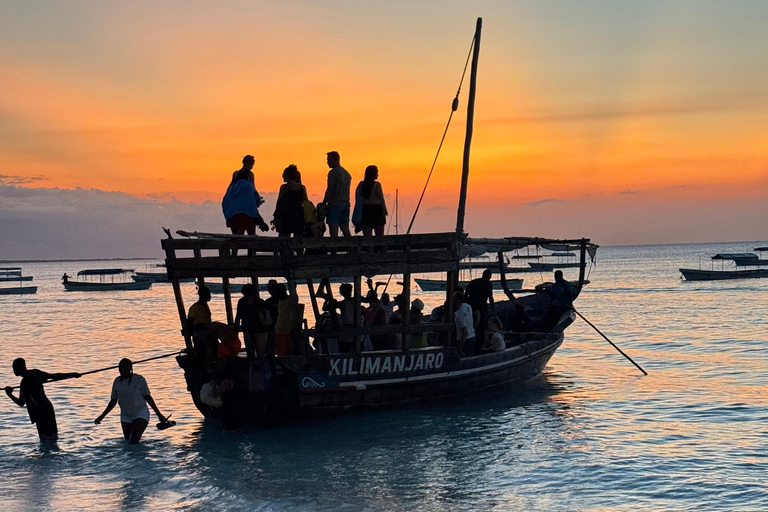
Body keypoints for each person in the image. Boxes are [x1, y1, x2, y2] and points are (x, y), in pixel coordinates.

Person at [94, 359, 167, 444]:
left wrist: (159, 415)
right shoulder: (117, 381)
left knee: (133, 441)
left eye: (124, 368)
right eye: (120, 368)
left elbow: (148, 398)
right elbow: (113, 401)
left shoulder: (139, 379)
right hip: (125, 415)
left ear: (130, 368)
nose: (122, 370)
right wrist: (102, 416)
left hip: (140, 413)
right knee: (128, 442)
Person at [5, 358, 80, 441]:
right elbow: (52, 376)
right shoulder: (34, 373)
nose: (14, 369)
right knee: (52, 438)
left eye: (15, 367)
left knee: (46, 439)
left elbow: (21, 403)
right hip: (46, 410)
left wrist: (9, 394)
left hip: (41, 413)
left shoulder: (25, 383)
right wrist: (71, 374)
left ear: (21, 367)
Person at [222, 155, 269, 235]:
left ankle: (229, 220)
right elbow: (252, 188)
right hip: (246, 202)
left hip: (235, 200)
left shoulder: (235, 173)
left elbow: (230, 187)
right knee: (253, 212)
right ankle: (260, 222)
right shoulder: (250, 175)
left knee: (230, 212)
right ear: (250, 164)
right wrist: (257, 200)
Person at [233, 284, 270, 360]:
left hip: (258, 329)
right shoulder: (243, 302)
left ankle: (257, 365)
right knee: (251, 352)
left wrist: (235, 329)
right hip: (250, 329)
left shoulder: (259, 302)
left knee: (259, 353)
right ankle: (255, 366)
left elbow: (238, 316)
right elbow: (238, 316)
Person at [272, 164, 308, 238]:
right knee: (298, 241)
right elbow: (306, 203)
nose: (282, 176)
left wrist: (276, 217)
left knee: (283, 241)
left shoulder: (284, 188)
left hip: (286, 217)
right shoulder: (302, 188)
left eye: (283, 174)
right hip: (298, 216)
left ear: (288, 176)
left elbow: (279, 204)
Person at [322, 151, 352, 237]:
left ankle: (333, 250)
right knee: (345, 229)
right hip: (345, 204)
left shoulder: (333, 172)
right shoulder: (347, 174)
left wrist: (324, 203)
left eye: (329, 160)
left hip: (335, 205)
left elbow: (330, 189)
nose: (327, 162)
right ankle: (351, 249)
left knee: (333, 231)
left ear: (336, 159)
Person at [464, 269, 495, 348]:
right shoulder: (487, 284)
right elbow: (490, 298)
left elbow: (466, 294)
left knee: (478, 325)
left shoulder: (475, 282)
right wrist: (493, 308)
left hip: (476, 306)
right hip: (477, 306)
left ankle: (478, 343)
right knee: (480, 325)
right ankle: (477, 343)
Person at [354, 165, 388, 236]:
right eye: (377, 172)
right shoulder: (377, 185)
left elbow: (357, 198)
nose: (377, 174)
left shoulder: (361, 185)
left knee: (367, 238)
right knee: (380, 237)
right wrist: (384, 210)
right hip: (377, 211)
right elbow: (381, 198)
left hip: (366, 211)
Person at [188, 286, 215, 363]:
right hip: (199, 336)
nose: (210, 296)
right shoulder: (194, 308)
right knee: (203, 356)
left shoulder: (205, 306)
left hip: (208, 334)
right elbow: (189, 323)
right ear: (202, 295)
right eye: (208, 294)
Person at [452, 291, 476, 357]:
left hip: (465, 339)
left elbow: (465, 332)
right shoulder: (467, 306)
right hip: (472, 335)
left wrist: (461, 345)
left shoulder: (459, 315)